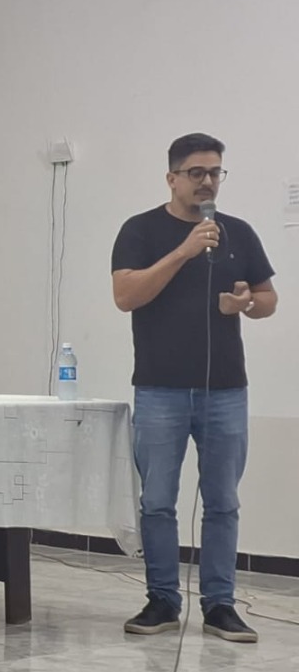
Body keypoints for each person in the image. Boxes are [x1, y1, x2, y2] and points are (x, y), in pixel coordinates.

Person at [112, 133, 277, 642]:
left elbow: (268, 298)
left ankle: (220, 605)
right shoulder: (140, 230)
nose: (208, 182)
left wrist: (246, 303)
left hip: (224, 390)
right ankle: (162, 600)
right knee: (158, 500)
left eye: (215, 172)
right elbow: (125, 295)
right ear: (172, 178)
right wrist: (183, 252)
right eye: (196, 172)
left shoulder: (238, 232)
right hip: (159, 389)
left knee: (222, 501)